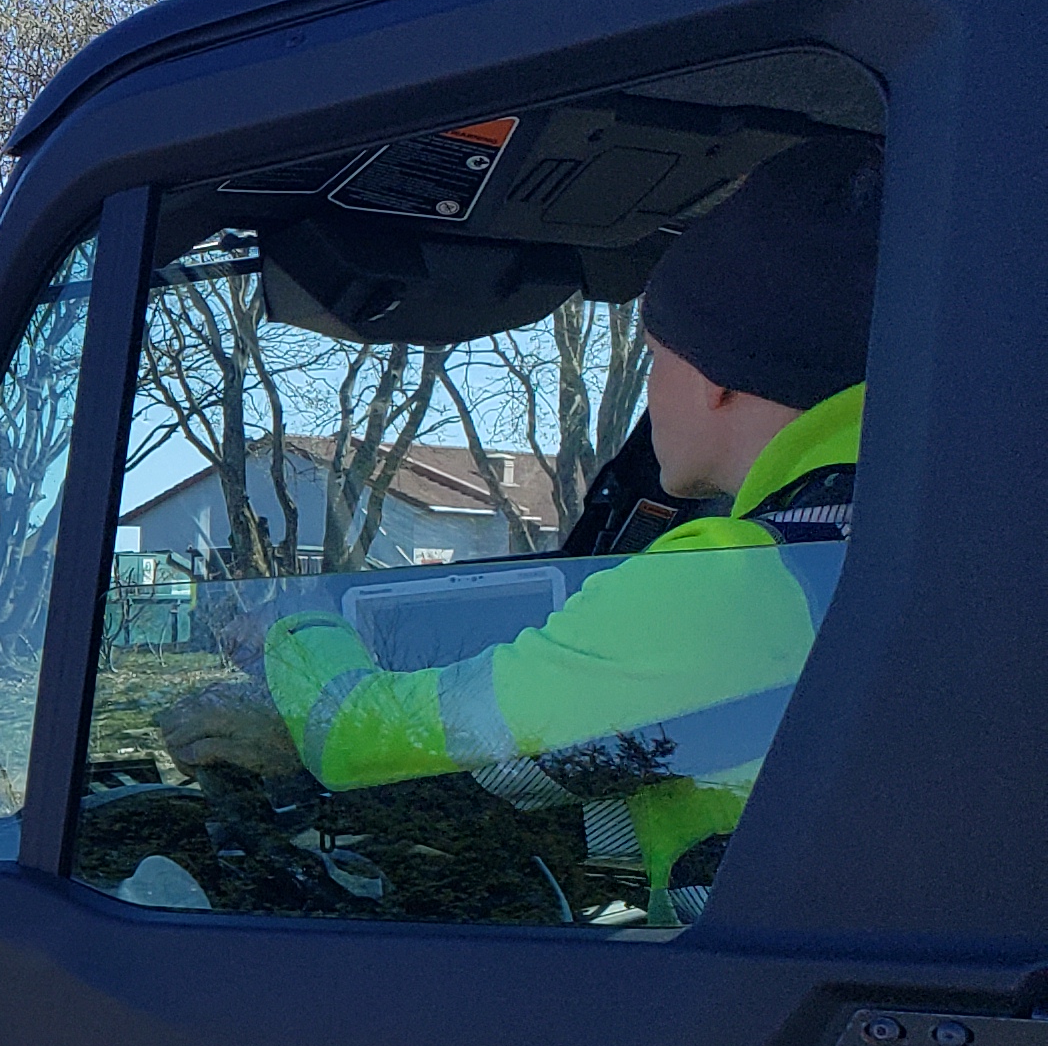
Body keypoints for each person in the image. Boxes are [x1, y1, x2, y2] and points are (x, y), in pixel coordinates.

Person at [166, 133, 877, 922]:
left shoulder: (735, 586)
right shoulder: (904, 538)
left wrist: (296, 624)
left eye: (653, 355)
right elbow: (673, 763)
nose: (651, 389)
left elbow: (363, 738)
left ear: (715, 376)